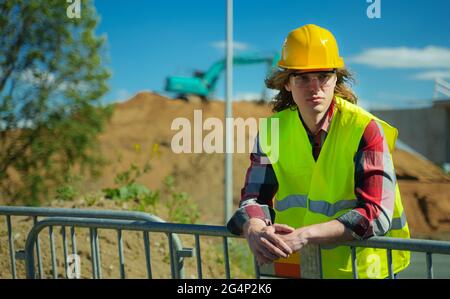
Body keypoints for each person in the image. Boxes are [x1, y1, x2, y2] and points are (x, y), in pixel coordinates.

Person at [227, 24, 410, 279]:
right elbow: (255, 197)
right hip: (300, 267)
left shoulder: (364, 129)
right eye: (302, 77)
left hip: (360, 270)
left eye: (323, 76)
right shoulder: (272, 132)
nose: (314, 87)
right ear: (287, 83)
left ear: (336, 79)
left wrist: (304, 235)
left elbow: (376, 213)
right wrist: (254, 226)